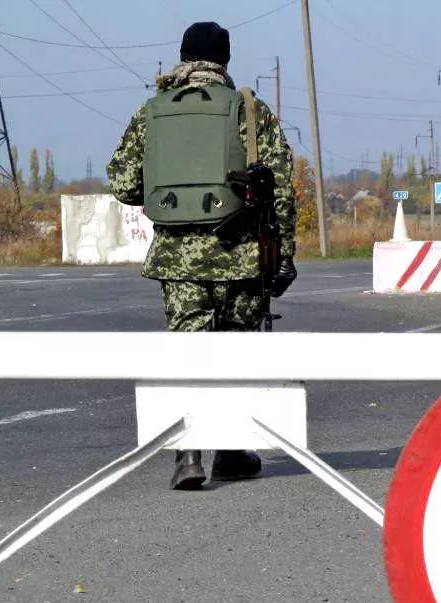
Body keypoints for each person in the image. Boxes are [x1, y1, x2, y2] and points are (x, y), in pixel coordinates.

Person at [107, 22, 298, 490]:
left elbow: (124, 183)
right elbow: (279, 187)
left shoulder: (152, 111)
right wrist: (284, 256)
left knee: (187, 352)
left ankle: (188, 455)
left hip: (178, 259)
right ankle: (230, 451)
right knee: (237, 353)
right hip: (241, 255)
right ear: (225, 60)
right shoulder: (249, 110)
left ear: (183, 57)